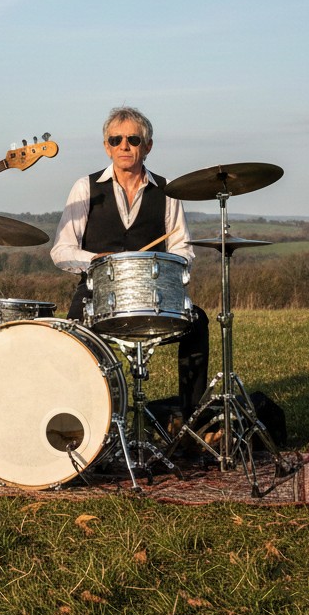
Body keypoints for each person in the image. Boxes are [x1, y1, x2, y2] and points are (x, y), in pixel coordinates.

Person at [51, 105, 209, 418]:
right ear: (106, 146)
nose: (125, 146)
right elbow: (62, 250)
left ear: (148, 146)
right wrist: (95, 259)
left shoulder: (168, 191)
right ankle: (81, 421)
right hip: (96, 294)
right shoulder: (85, 187)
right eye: (116, 139)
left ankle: (191, 420)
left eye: (134, 140)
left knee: (197, 322)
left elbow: (184, 250)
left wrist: (160, 264)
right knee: (71, 340)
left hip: (152, 295)